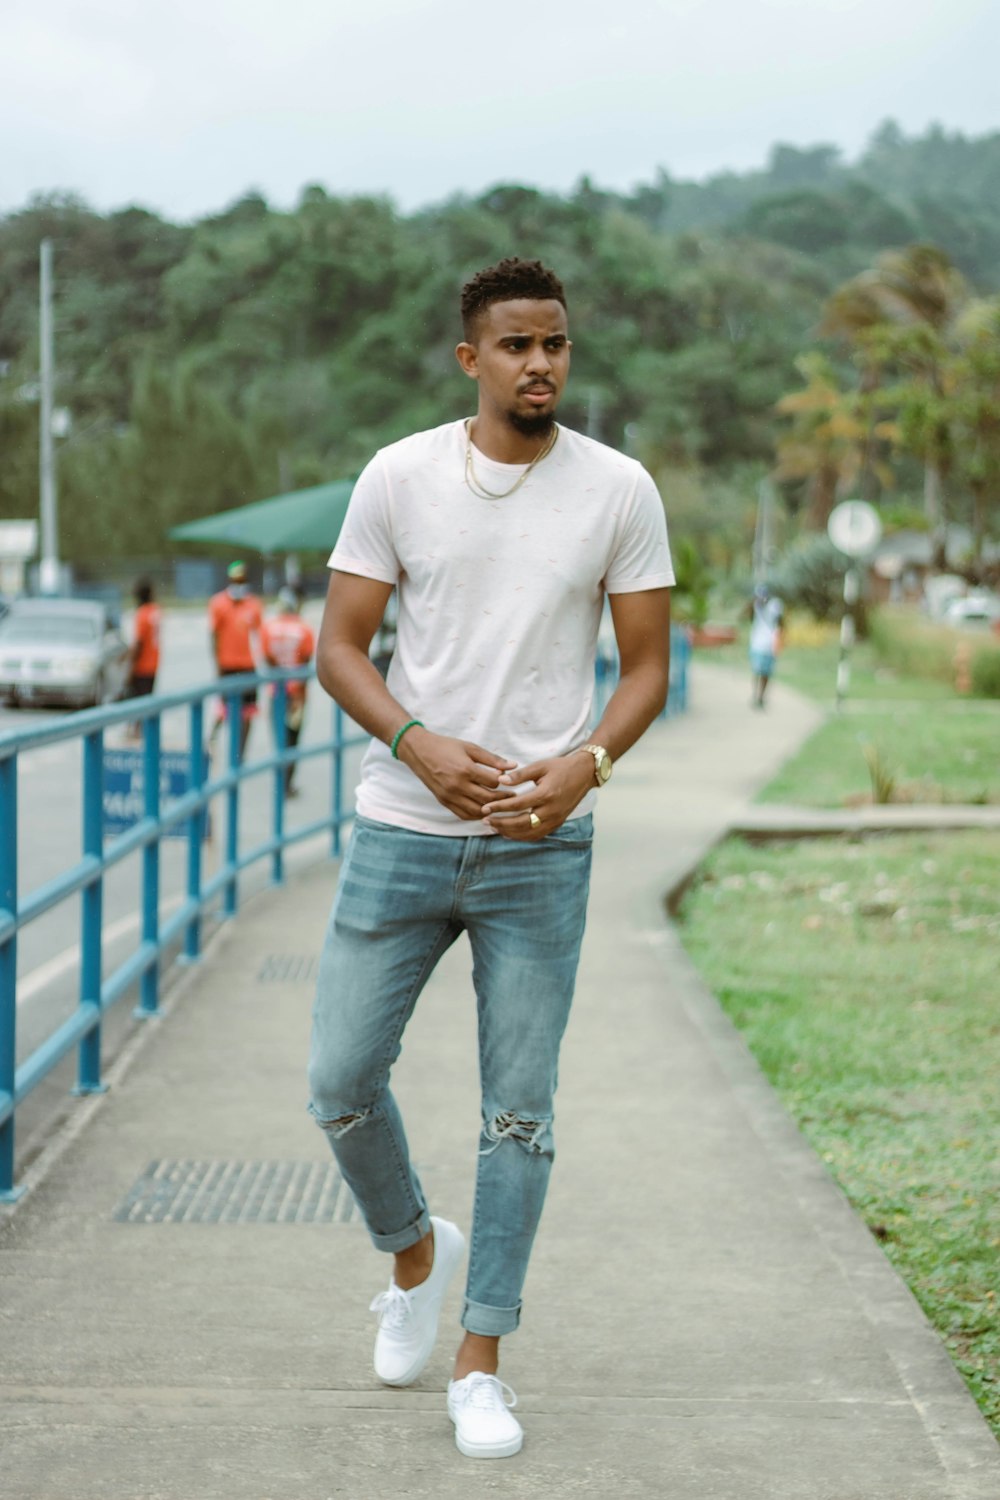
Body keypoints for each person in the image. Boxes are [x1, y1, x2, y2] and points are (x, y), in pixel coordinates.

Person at [308, 257, 674, 1460]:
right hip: (403, 833)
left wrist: (587, 766)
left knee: (518, 1115)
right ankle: (417, 1253)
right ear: (471, 358)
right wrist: (414, 744)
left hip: (539, 847)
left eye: (555, 344)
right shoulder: (400, 478)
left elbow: (646, 671)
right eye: (515, 346)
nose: (540, 365)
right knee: (340, 1080)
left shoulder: (619, 490)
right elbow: (342, 648)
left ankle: (481, 1361)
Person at [260, 587, 315, 795]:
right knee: (293, 739)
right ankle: (287, 784)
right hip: (298, 693)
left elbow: (268, 659)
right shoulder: (304, 629)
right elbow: (306, 661)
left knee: (279, 739)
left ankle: (281, 781)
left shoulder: (269, 627)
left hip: (277, 691)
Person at [208, 561, 262, 759]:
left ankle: (240, 753)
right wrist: (217, 665)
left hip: (248, 666)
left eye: (242, 580)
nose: (239, 584)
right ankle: (211, 741)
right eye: (236, 580)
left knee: (248, 713)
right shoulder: (218, 603)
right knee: (224, 710)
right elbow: (214, 636)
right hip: (227, 665)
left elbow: (259, 634)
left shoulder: (253, 604)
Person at [125, 578, 161, 739]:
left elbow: (139, 643)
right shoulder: (156, 611)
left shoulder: (142, 614)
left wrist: (129, 669)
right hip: (153, 663)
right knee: (147, 699)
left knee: (135, 700)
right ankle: (143, 731)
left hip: (142, 665)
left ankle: (136, 731)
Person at [748, 584, 784, 709]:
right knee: (756, 670)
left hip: (769, 645)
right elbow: (748, 617)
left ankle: (761, 697)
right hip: (757, 644)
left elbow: (781, 623)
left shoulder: (775, 606)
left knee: (766, 672)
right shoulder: (755, 607)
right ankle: (755, 694)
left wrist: (779, 640)